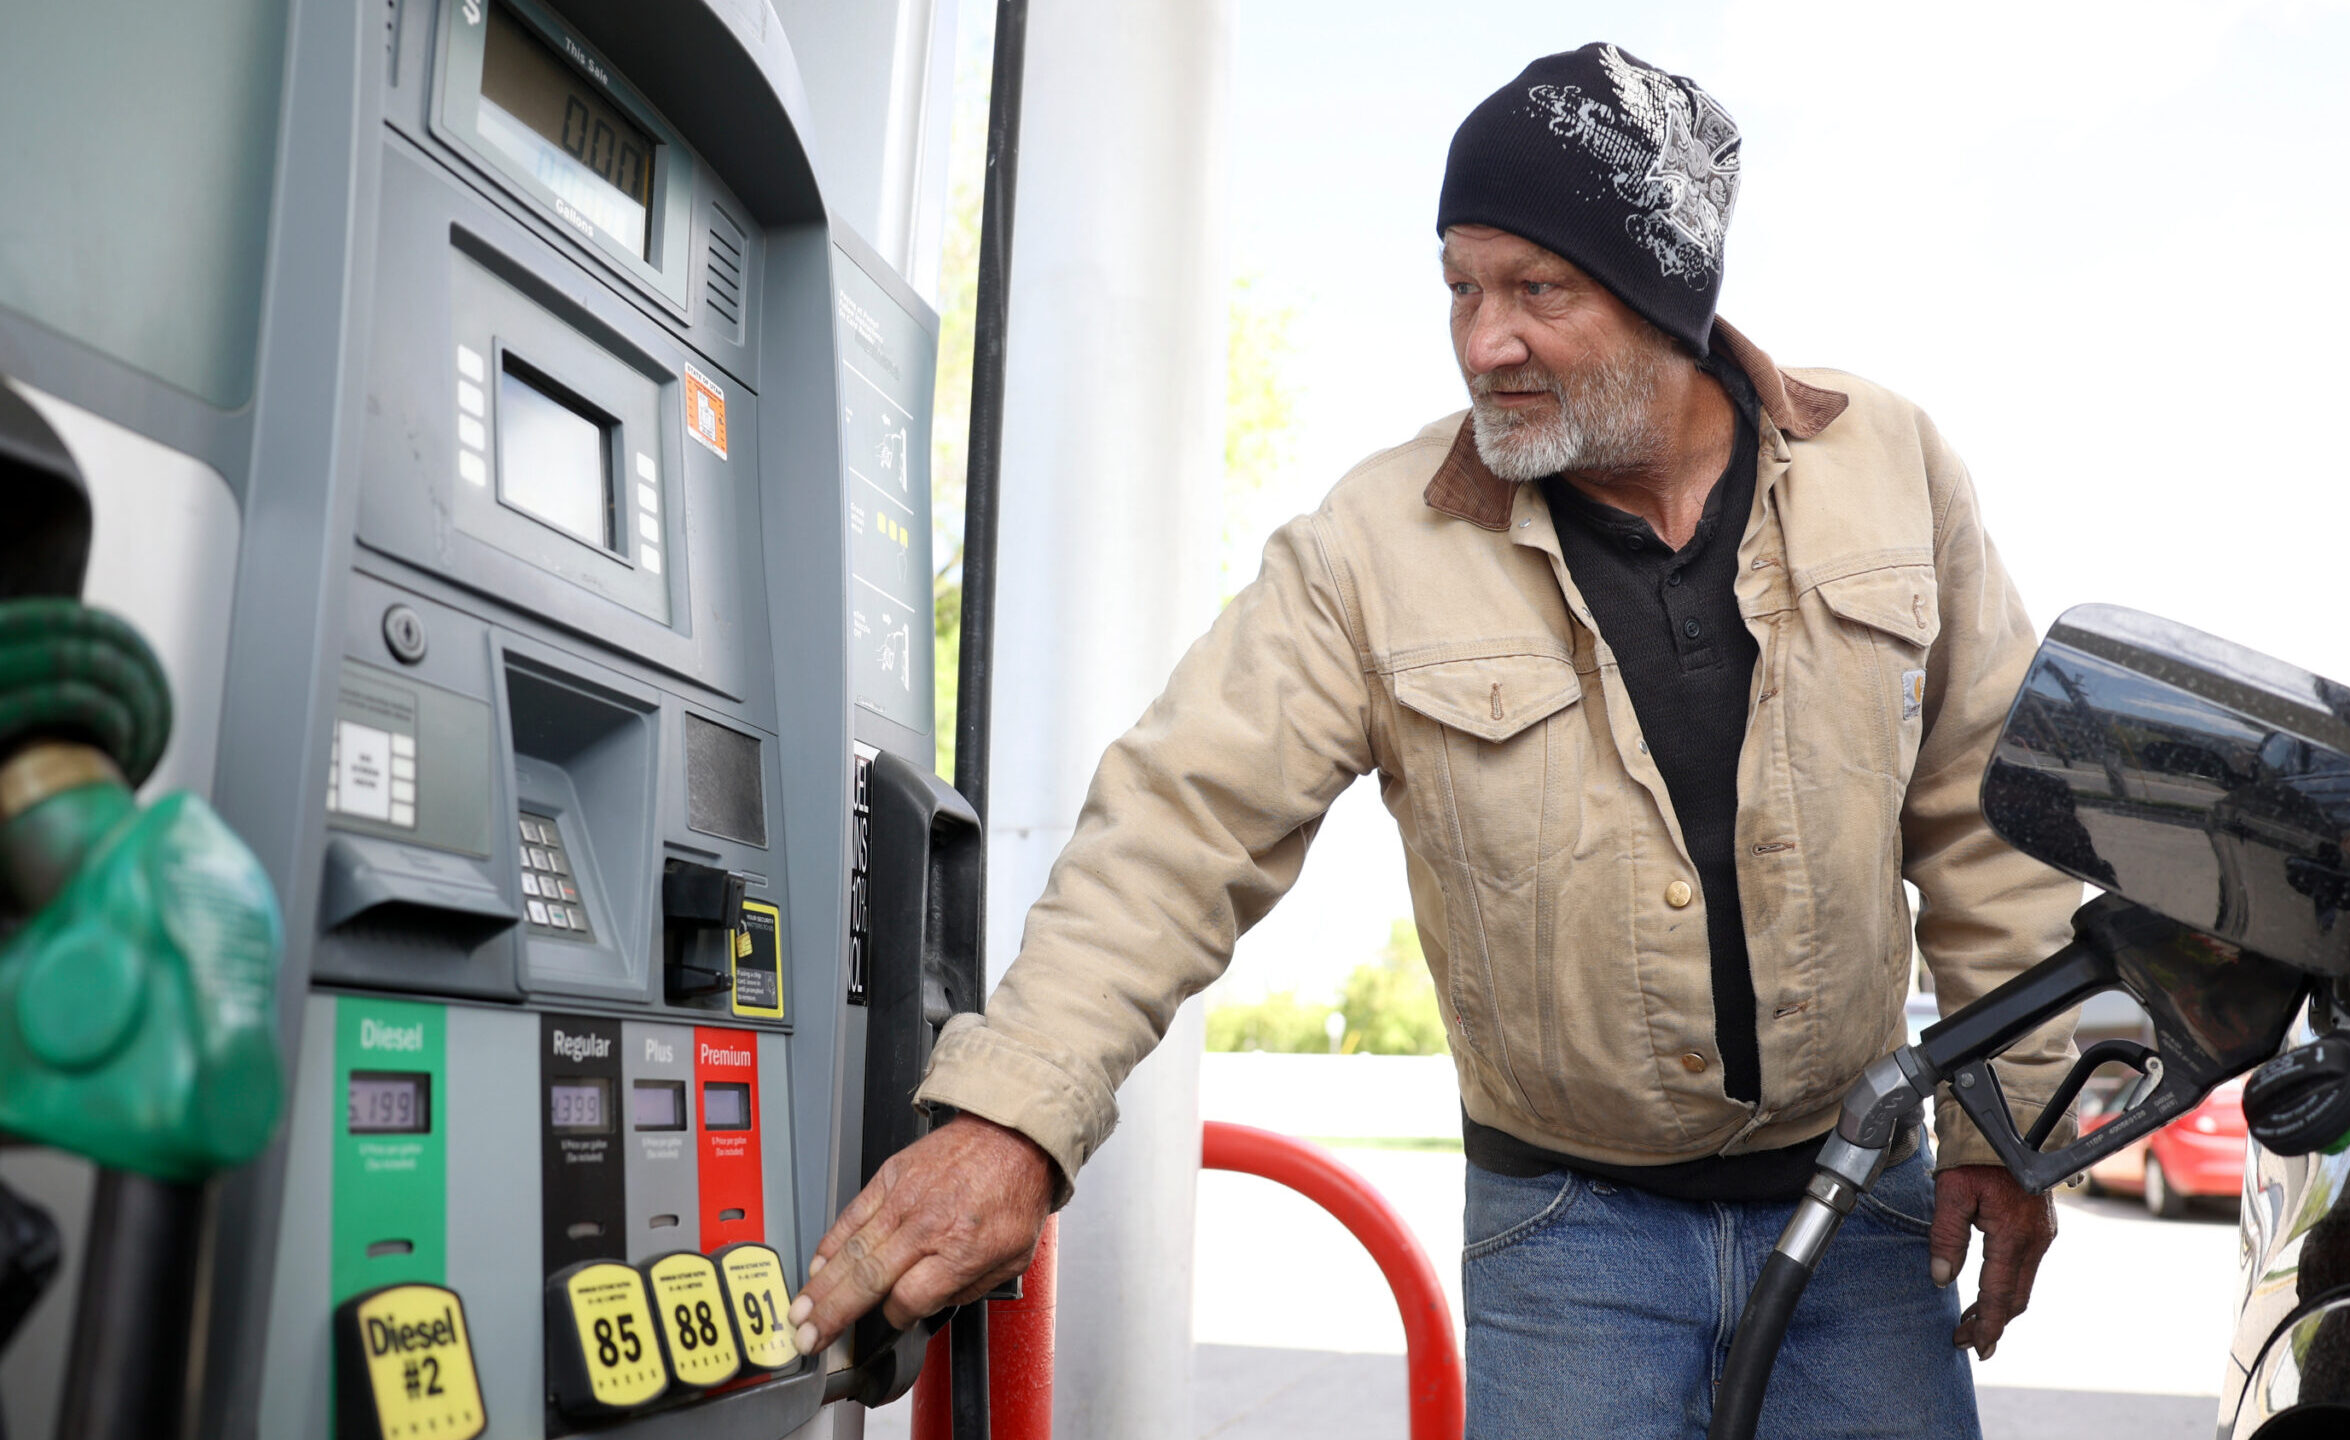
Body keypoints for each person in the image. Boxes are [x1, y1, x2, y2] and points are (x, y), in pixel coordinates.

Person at [788, 42, 2080, 1438]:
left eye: (1539, 290)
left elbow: (1989, 817)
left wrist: (2017, 1127)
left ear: (1668, 299)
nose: (1483, 341)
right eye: (1460, 286)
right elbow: (1178, 825)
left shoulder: (1890, 465)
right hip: (1567, 1234)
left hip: (1864, 1206)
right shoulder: (1370, 546)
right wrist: (1013, 1118)